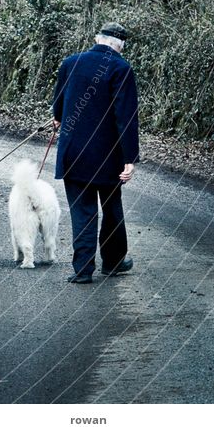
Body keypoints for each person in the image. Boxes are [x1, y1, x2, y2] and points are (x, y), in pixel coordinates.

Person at [52, 21, 139, 284]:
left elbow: (58, 108)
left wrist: (61, 117)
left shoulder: (70, 63)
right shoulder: (121, 68)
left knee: (82, 211)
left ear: (97, 39)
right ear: (120, 45)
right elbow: (126, 117)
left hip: (73, 155)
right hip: (108, 158)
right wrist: (129, 159)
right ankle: (112, 263)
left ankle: (82, 270)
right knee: (111, 208)